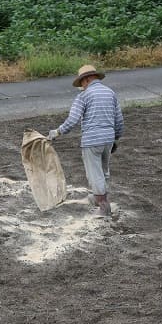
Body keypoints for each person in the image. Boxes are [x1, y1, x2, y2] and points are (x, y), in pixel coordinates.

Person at [48, 64, 124, 217]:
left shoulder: (83, 96)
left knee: (94, 173)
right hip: (108, 139)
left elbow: (72, 120)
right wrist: (116, 138)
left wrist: (57, 132)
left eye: (82, 82)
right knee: (103, 171)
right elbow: (119, 120)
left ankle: (103, 206)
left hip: (92, 140)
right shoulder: (110, 93)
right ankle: (100, 197)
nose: (81, 86)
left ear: (87, 79)